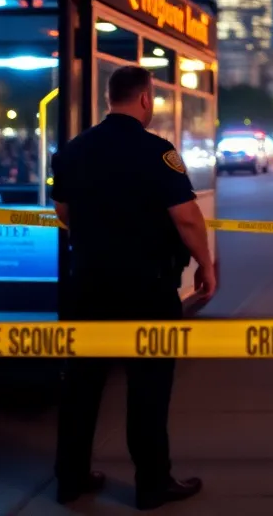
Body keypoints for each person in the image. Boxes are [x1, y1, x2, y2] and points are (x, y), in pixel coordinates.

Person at [51, 65, 215, 510]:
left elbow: (63, 210)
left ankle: (71, 479)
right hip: (147, 288)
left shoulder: (73, 151)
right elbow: (186, 218)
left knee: (81, 386)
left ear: (110, 98)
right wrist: (205, 264)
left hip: (87, 286)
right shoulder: (157, 152)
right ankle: (152, 484)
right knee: (148, 388)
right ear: (145, 99)